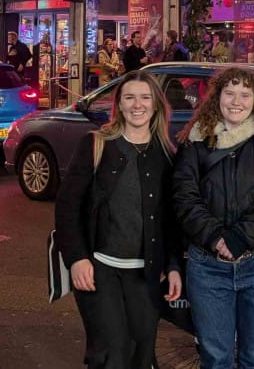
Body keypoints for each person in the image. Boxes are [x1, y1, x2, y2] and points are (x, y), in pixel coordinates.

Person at [55, 71, 182, 369]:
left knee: (142, 352)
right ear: (119, 105)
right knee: (110, 353)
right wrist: (76, 259)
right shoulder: (96, 145)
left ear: (156, 106)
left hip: (146, 274)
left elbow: (172, 220)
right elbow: (67, 206)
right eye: (129, 98)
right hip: (100, 270)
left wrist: (175, 266)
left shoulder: (167, 155)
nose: (137, 105)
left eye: (144, 97)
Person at [172, 66, 254, 369]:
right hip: (207, 267)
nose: (236, 101)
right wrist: (215, 236)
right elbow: (184, 197)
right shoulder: (195, 142)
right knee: (215, 358)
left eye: (244, 94)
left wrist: (239, 237)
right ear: (217, 97)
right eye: (229, 93)